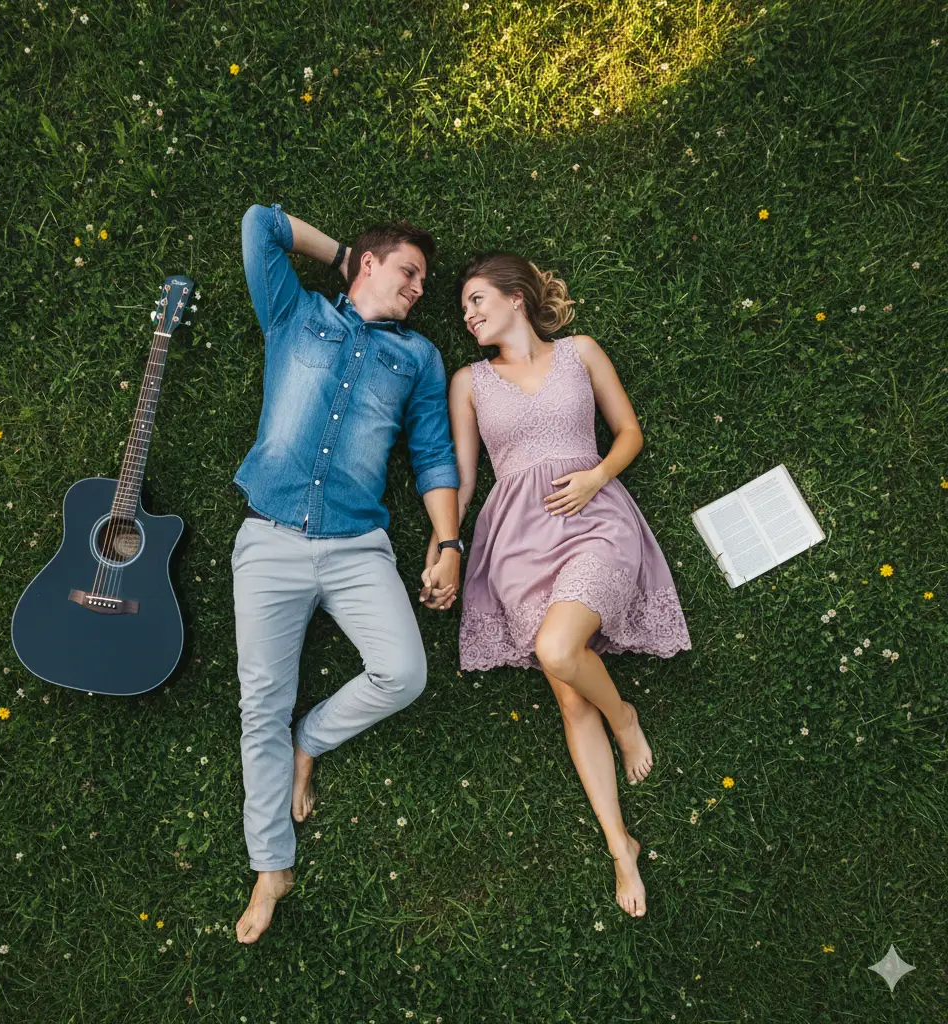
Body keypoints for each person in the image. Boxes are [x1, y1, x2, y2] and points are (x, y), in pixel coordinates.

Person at [424, 252, 691, 918]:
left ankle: (625, 718)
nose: (469, 314)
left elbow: (630, 432)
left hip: (594, 518)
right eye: (463, 308)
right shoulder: (469, 382)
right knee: (572, 702)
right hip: (515, 543)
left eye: (478, 299)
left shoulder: (582, 352)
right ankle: (619, 845)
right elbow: (461, 476)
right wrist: (445, 548)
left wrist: (598, 476)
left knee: (557, 651)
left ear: (517, 298)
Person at [233, 203, 464, 943]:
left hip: (359, 547)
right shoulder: (293, 313)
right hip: (269, 541)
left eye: (424, 281)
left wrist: (449, 541)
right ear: (370, 264)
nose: (419, 289)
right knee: (258, 705)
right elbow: (259, 223)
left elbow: (433, 455)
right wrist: (341, 254)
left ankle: (312, 741)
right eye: (409, 272)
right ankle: (271, 866)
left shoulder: (420, 358)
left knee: (405, 672)